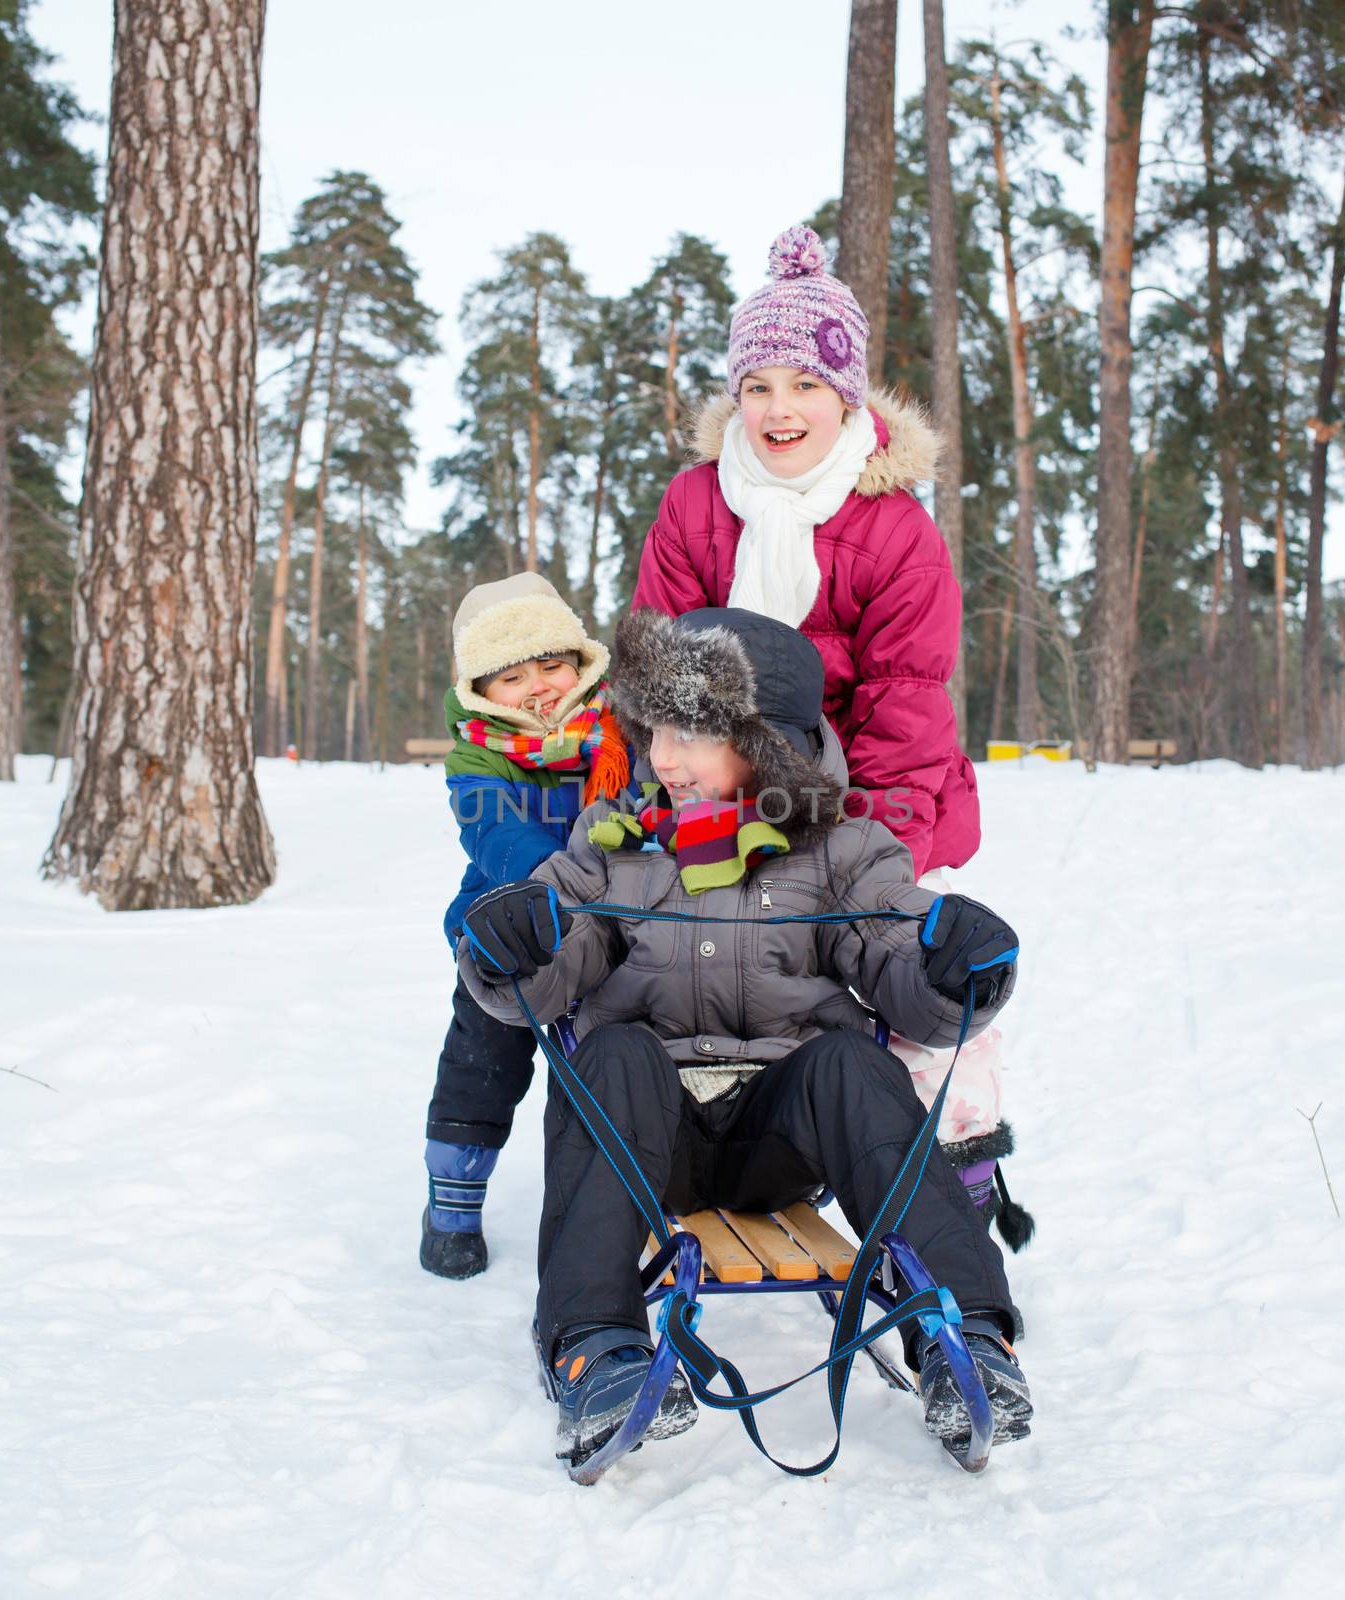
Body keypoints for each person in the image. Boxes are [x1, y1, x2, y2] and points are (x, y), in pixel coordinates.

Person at [458, 606, 1033, 1471]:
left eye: (689, 731)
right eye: (652, 728)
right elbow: (552, 966)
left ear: (766, 741)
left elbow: (903, 973)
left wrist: (958, 970)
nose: (660, 756)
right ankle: (593, 1349)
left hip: (781, 1132)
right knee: (604, 1052)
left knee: (851, 1062)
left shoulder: (845, 849)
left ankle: (968, 1338)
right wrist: (512, 952)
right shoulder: (613, 843)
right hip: (648, 1133)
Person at [632, 223, 1027, 1241]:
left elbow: (905, 694)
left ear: (845, 396)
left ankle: (959, 1169)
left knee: (907, 959)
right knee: (685, 957)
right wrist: (663, 792)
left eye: (803, 386)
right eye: (757, 385)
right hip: (720, 787)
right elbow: (659, 671)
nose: (778, 410)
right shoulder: (694, 504)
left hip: (870, 792)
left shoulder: (894, 525)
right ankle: (703, 1135)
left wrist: (864, 841)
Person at [420, 572, 629, 1280]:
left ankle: (601, 1197)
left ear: (579, 664)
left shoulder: (616, 740)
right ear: (481, 690)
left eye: (550, 664)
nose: (538, 686)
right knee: (482, 1066)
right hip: (508, 937)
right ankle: (453, 1195)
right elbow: (494, 836)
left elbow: (647, 815)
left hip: (605, 938)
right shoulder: (476, 759)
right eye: (512, 676)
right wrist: (555, 884)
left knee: (601, 1070)